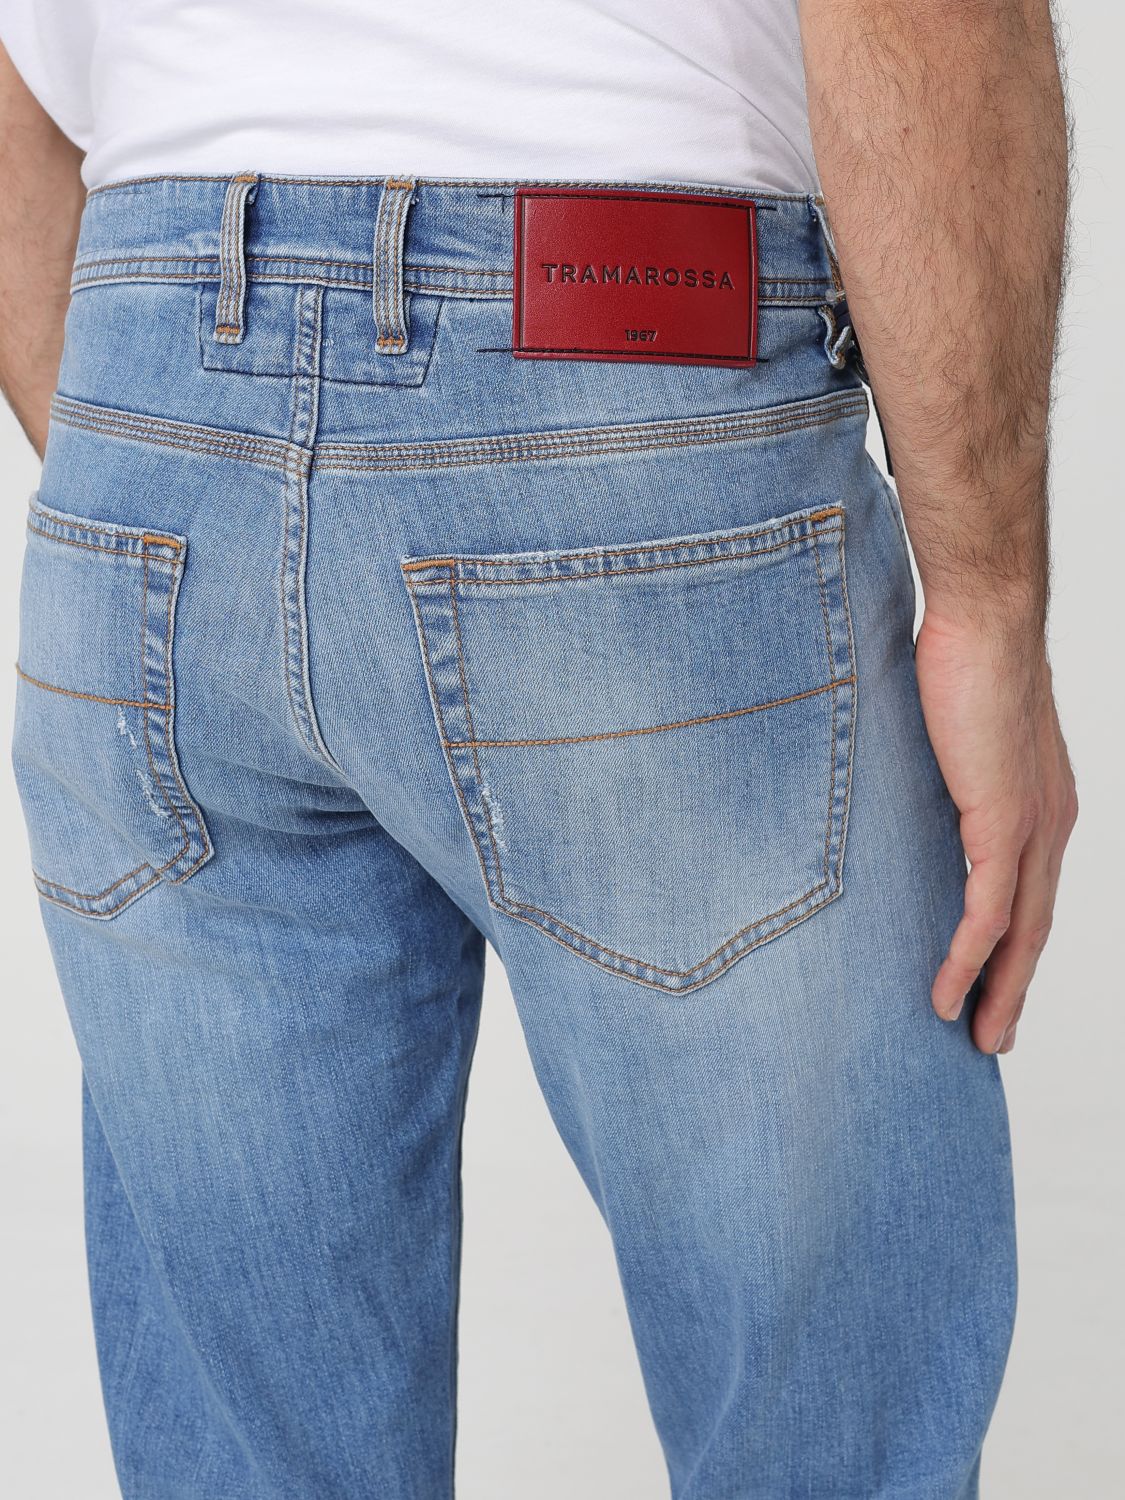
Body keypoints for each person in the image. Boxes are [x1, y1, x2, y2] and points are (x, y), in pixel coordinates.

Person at [0, 3, 1077, 1497]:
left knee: (250, 1450)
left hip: (144, 408)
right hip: (621, 382)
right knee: (827, 1438)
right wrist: (991, 603)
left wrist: (172, 457)